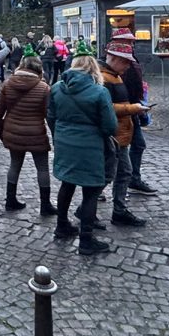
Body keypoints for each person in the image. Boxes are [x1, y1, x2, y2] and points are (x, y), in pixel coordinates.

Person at [47, 49, 117, 256]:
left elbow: (50, 115)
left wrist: (59, 134)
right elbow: (110, 125)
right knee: (91, 191)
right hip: (90, 146)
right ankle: (86, 239)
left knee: (67, 184)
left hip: (65, 141)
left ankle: (62, 226)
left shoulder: (57, 88)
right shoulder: (99, 92)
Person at [0, 50, 53, 215]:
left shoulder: (8, 84)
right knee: (43, 168)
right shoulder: (44, 87)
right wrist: (56, 134)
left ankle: (10, 200)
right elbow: (49, 114)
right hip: (36, 132)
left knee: (14, 165)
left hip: (13, 131)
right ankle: (45, 205)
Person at [99, 43, 149, 227]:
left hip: (120, 133)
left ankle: (118, 210)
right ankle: (88, 208)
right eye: (125, 62)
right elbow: (105, 107)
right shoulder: (106, 79)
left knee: (122, 172)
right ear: (114, 60)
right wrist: (132, 108)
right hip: (114, 135)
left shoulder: (115, 76)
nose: (128, 66)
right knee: (110, 174)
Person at [110, 28, 159, 198]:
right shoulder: (113, 65)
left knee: (137, 146)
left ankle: (133, 179)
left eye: (132, 41)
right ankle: (103, 187)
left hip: (133, 109)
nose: (131, 43)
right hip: (125, 110)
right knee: (116, 152)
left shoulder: (130, 58)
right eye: (127, 40)